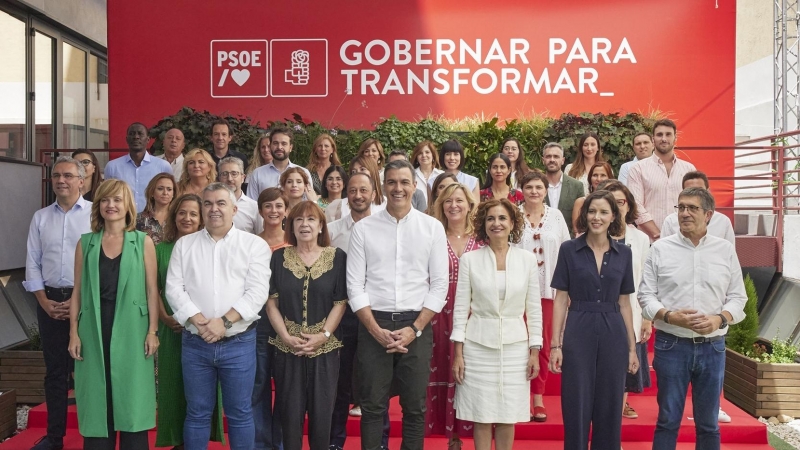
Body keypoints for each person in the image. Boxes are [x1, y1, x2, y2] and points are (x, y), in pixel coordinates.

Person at [346, 159, 448, 450]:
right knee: (372, 406)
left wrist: (414, 329)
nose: (398, 188)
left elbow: (439, 285)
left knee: (415, 407)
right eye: (391, 182)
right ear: (383, 186)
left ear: (415, 186)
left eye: (404, 182)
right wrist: (375, 330)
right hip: (373, 323)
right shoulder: (364, 229)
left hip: (416, 324)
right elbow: (355, 285)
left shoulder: (432, 228)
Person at [165, 183, 271, 450]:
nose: (214, 209)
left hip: (239, 344)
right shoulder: (184, 245)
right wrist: (200, 321)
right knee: (197, 413)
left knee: (240, 413)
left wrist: (223, 323)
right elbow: (174, 289)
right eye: (208, 203)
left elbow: (257, 292)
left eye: (221, 203)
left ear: (234, 209)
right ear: (202, 208)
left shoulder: (254, 245)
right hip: (196, 343)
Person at [639, 188, 747, 449]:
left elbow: (738, 298)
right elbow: (645, 295)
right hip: (671, 345)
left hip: (713, 346)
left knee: (709, 424)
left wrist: (719, 320)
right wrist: (669, 316)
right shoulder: (660, 249)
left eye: (692, 208)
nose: (684, 213)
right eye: (681, 207)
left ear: (708, 214)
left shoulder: (725, 250)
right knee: (668, 420)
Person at [68, 179, 160, 449]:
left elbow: (152, 291)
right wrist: (73, 332)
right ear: (98, 206)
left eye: (117, 200)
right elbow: (77, 292)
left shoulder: (142, 242)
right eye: (106, 200)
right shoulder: (85, 244)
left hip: (133, 329)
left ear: (127, 205)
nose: (111, 205)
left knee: (131, 401)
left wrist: (153, 331)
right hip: (93, 329)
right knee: (97, 397)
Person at [549, 190, 639, 450]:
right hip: (579, 325)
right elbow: (560, 298)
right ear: (584, 215)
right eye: (591, 211)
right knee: (576, 400)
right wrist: (556, 345)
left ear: (613, 217)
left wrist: (632, 348)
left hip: (614, 330)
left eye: (603, 212)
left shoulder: (624, 254)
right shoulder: (569, 250)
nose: (596, 217)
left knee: (611, 403)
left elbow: (625, 303)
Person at [451, 198, 542, 450]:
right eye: (491, 218)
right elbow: (460, 309)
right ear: (483, 224)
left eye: (502, 218)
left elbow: (534, 310)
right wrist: (458, 354)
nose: (496, 223)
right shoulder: (470, 260)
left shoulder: (527, 260)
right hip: (477, 346)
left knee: (507, 413)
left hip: (515, 347)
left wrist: (535, 352)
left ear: (512, 223)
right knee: (482, 413)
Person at [266, 201, 347, 450]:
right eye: (298, 220)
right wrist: (286, 336)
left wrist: (323, 335)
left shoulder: (337, 257)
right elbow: (271, 303)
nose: (304, 225)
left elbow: (340, 302)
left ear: (321, 225)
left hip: (325, 350)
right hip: (287, 349)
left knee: (323, 417)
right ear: (290, 226)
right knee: (289, 417)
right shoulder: (279, 257)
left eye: (311, 219)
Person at [24, 156, 92, 450]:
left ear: (81, 180)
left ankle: (95, 434)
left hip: (87, 302)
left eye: (67, 175)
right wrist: (44, 300)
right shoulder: (40, 217)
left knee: (90, 370)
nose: (61, 180)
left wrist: (78, 301)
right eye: (56, 176)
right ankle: (54, 437)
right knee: (55, 372)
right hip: (50, 301)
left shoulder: (95, 214)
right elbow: (32, 264)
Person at [154, 194, 226, 448]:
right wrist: (164, 316)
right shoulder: (160, 249)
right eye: (182, 213)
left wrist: (201, 321)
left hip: (204, 330)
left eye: (193, 214)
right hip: (171, 328)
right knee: (173, 386)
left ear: (202, 218)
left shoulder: (211, 248)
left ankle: (197, 440)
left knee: (200, 391)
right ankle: (176, 440)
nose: (187, 218)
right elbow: (153, 289)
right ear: (174, 216)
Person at [327, 173, 392, 450]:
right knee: (340, 383)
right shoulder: (331, 231)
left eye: (363, 190)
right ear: (346, 194)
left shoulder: (386, 228)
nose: (358, 195)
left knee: (376, 384)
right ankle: (334, 442)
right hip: (343, 315)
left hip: (377, 311)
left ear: (373, 192)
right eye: (352, 190)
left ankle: (380, 443)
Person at [426, 183, 483, 449]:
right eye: (447, 201)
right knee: (443, 367)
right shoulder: (433, 237)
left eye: (459, 200)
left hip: (474, 315)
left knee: (471, 372)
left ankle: (465, 434)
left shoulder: (482, 239)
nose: (453, 205)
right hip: (439, 315)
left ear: (470, 205)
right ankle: (451, 438)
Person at [513, 170, 570, 422]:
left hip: (549, 290)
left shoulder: (556, 216)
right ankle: (520, 397)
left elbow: (567, 249)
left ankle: (538, 397)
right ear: (521, 190)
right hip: (518, 290)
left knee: (543, 343)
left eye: (539, 187)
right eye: (529, 187)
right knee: (519, 343)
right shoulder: (513, 214)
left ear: (546, 190)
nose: (534, 191)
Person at [595, 180, 652, 420]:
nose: (617, 208)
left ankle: (616, 416)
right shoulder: (594, 236)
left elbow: (646, 280)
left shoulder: (640, 239)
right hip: (599, 312)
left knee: (625, 371)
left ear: (628, 206)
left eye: (621, 202)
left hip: (631, 311)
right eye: (612, 203)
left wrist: (647, 318)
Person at [253, 187, 288, 450]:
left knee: (288, 388)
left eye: (278, 205)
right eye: (268, 206)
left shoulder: (296, 242)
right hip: (258, 324)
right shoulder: (250, 243)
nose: (273, 211)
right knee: (259, 384)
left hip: (290, 323)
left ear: (286, 209)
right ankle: (263, 443)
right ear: (260, 210)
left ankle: (284, 443)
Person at [627, 119, 698, 241]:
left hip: (683, 240)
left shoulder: (689, 169)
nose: (664, 139)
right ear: (653, 139)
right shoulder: (638, 169)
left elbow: (696, 204)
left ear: (675, 138)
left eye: (668, 134)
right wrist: (659, 236)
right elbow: (636, 206)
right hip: (649, 241)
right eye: (659, 135)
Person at [104, 122, 172, 212]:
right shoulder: (112, 167)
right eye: (132, 134)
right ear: (127, 139)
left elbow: (170, 196)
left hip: (153, 220)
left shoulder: (163, 166)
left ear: (148, 139)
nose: (136, 137)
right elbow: (107, 195)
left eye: (140, 134)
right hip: (122, 220)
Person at [660, 171, 736, 246]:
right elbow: (663, 251)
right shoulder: (670, 221)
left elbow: (729, 252)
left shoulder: (723, 221)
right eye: (689, 190)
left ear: (708, 191)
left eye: (699, 190)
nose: (694, 194)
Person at [247, 127, 312, 199]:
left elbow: (308, 203)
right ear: (270, 146)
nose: (279, 147)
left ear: (290, 147)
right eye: (275, 143)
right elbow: (251, 205)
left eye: (284, 144)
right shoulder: (257, 174)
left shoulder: (304, 173)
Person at [541, 142, 584, 237]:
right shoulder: (536, 186)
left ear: (563, 160)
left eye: (556, 156)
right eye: (548, 156)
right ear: (543, 160)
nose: (552, 160)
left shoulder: (576, 186)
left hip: (570, 241)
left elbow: (581, 218)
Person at [325, 155, 385, 222]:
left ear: (372, 171)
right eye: (354, 171)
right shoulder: (337, 207)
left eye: (362, 169)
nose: (358, 173)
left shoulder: (387, 204)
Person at [219, 156, 263, 234]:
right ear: (219, 178)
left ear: (243, 178)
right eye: (225, 174)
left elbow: (260, 236)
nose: (229, 179)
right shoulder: (212, 206)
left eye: (234, 174)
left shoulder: (254, 207)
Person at [571, 162, 615, 232]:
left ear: (609, 178)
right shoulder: (581, 202)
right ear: (590, 178)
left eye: (603, 175)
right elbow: (577, 230)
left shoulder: (614, 202)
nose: (598, 179)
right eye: (595, 175)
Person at [135, 173, 176, 245]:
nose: (165, 193)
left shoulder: (177, 218)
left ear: (173, 194)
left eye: (169, 189)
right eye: (160, 189)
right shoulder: (138, 219)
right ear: (152, 192)